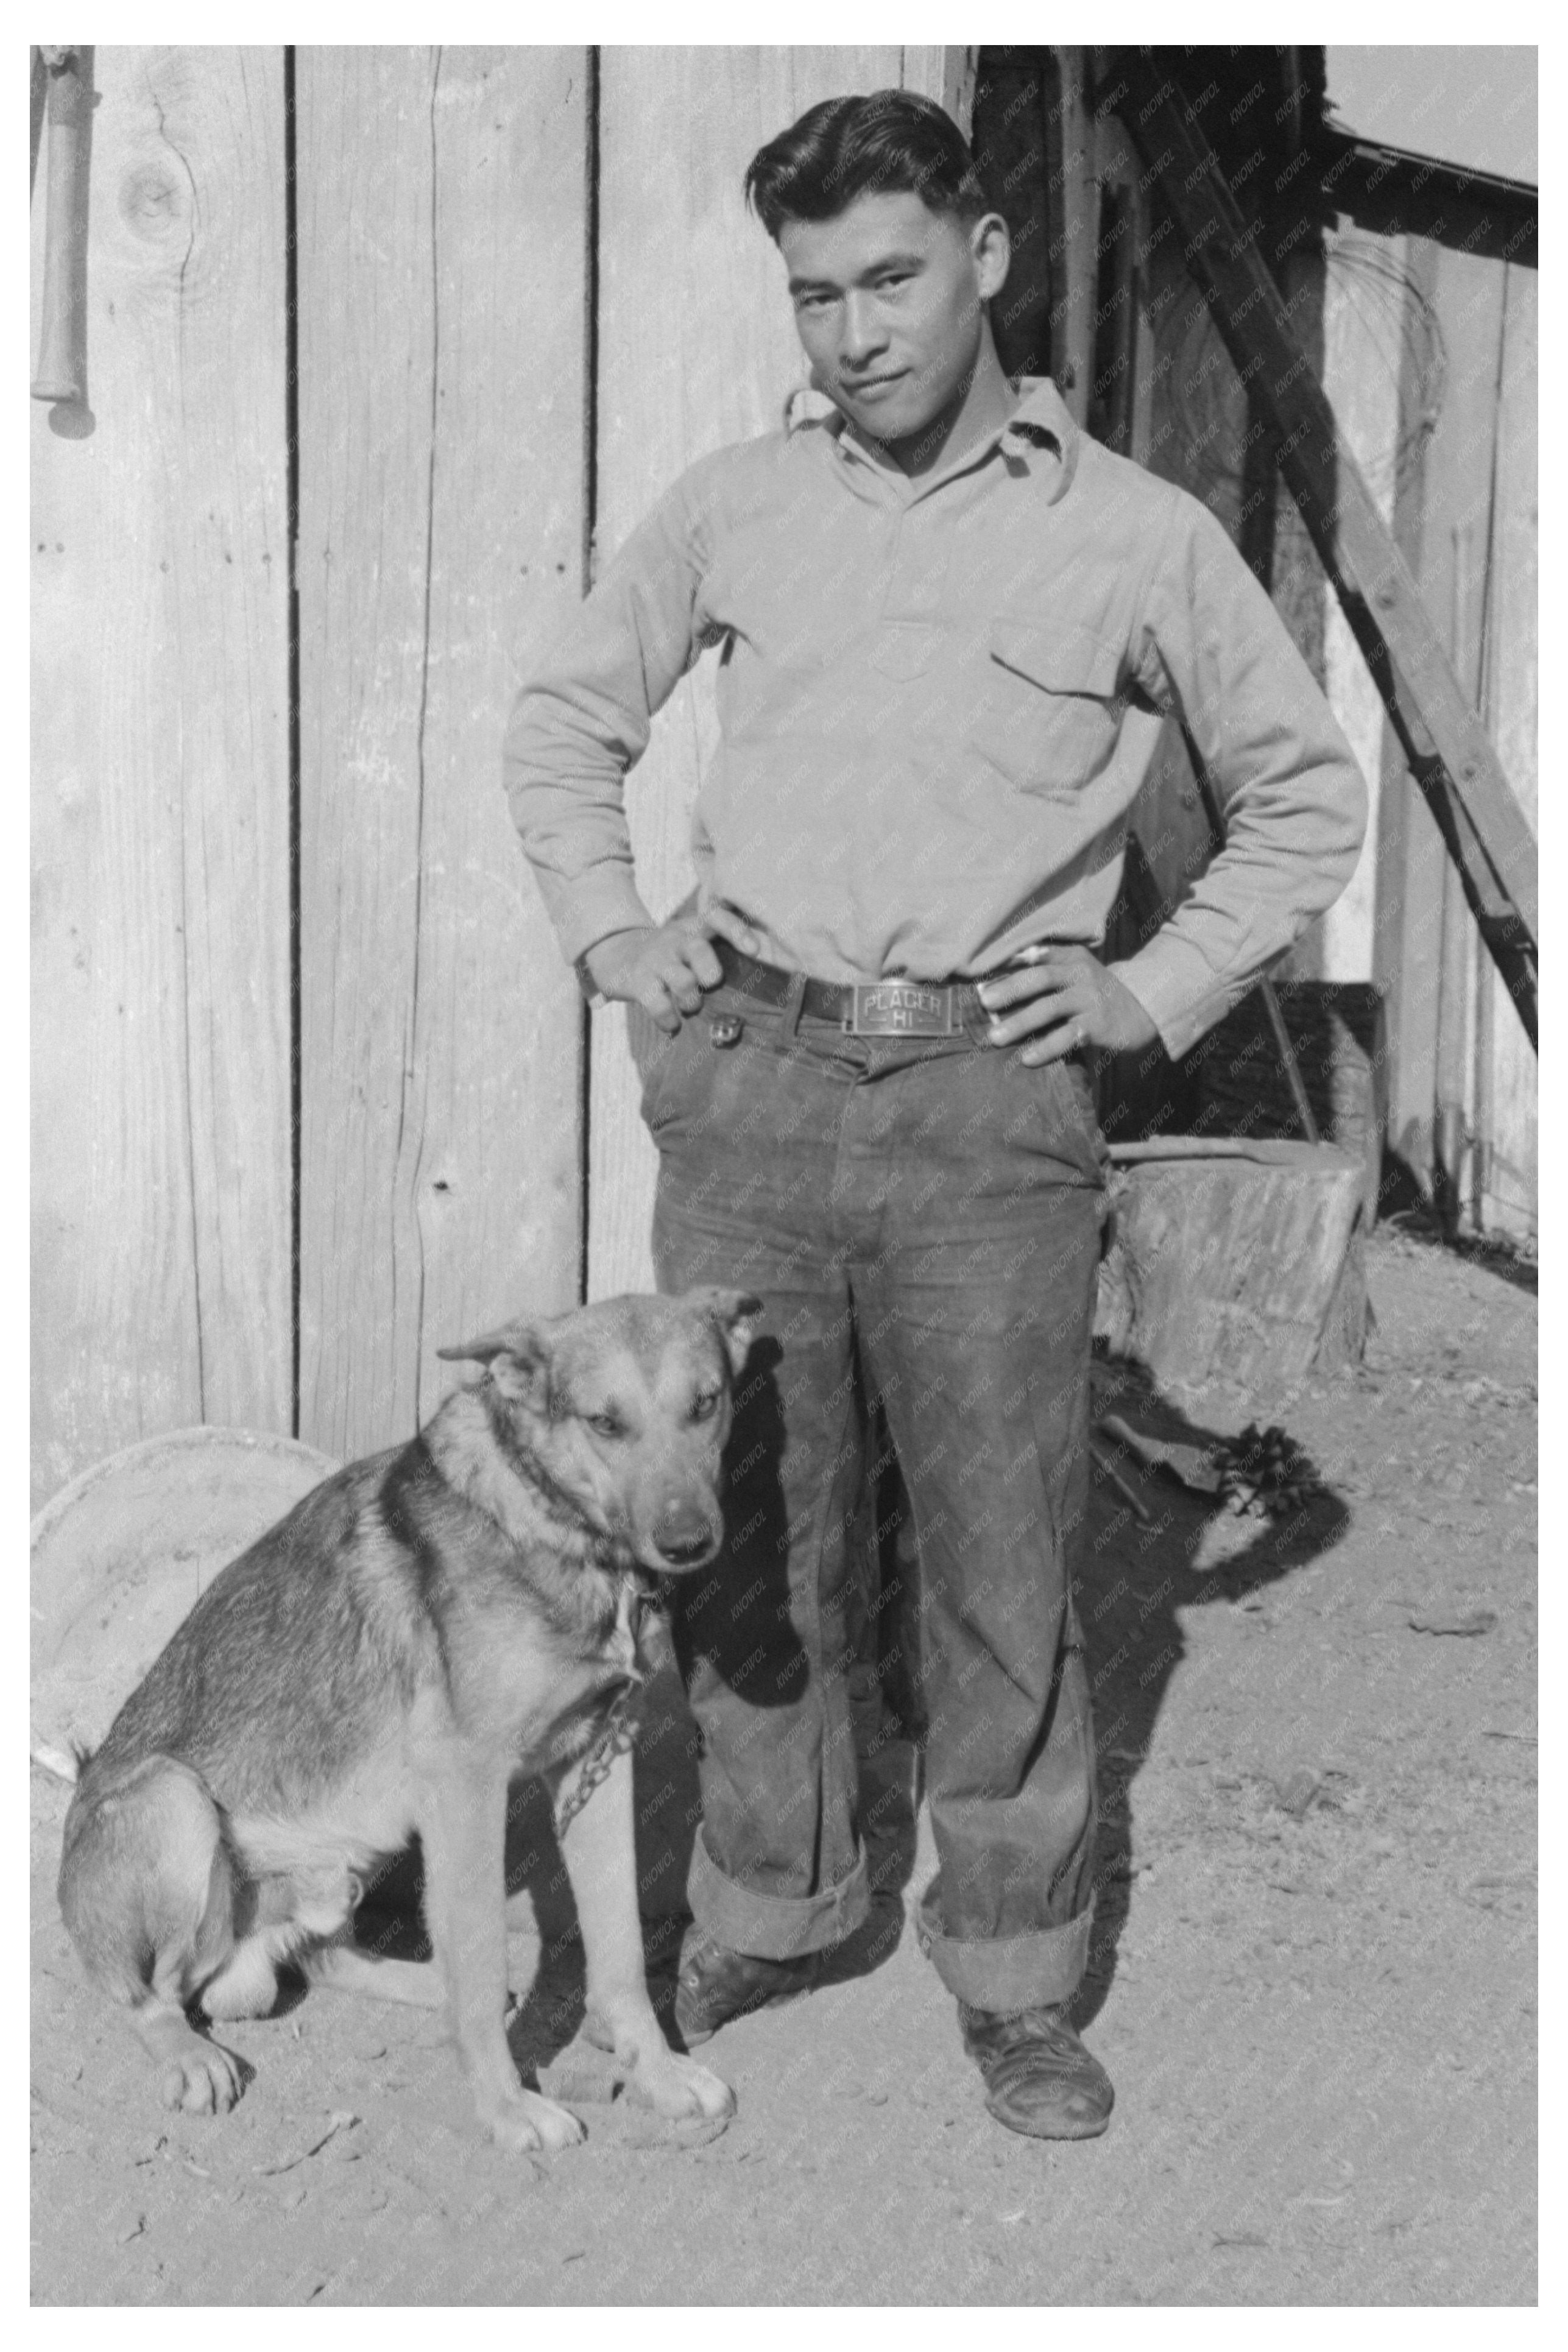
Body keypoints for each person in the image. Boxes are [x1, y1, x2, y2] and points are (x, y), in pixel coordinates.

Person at [503, 90, 1366, 2141]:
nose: (855, 331)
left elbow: (1306, 796)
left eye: (890, 278)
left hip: (991, 1108)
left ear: (985, 257)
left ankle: (1015, 1968)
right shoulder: (736, 506)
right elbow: (565, 724)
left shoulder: (1132, 530)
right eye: (815, 296)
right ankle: (777, 1898)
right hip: (756, 1092)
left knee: (1002, 1559)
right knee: (751, 1548)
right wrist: (621, 935)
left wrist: (1149, 990)